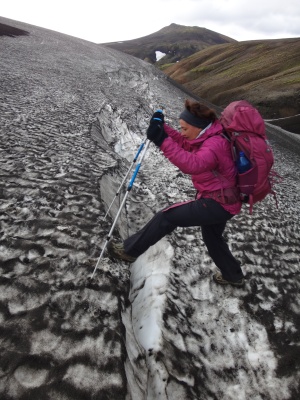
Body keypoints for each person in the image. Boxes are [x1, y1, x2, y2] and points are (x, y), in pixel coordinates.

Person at [107, 99, 245, 287]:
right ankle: (233, 275)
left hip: (218, 203)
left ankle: (129, 251)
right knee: (212, 238)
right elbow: (184, 142)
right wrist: (162, 128)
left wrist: (161, 139)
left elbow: (192, 164)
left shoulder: (214, 145)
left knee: (168, 216)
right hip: (224, 201)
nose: (181, 132)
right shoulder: (209, 135)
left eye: (184, 128)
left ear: (199, 127)